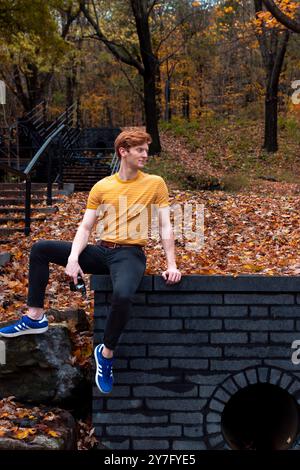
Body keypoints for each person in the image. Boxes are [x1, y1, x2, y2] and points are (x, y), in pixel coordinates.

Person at [0, 129, 182, 394]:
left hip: (130, 254)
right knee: (41, 249)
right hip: (100, 250)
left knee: (123, 294)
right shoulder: (102, 186)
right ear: (124, 152)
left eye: (146, 150)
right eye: (141, 150)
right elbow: (86, 227)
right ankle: (35, 316)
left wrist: (172, 264)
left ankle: (106, 354)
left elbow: (166, 226)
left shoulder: (155, 183)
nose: (146, 155)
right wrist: (73, 259)